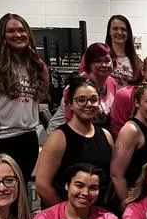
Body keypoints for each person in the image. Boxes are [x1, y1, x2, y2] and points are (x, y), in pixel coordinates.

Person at [0, 13, 49, 181]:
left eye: (21, 30)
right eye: (11, 31)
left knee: (21, 188)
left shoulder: (37, 64)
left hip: (28, 137)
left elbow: (41, 96)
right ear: (2, 35)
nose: (18, 34)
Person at [34, 76, 113, 207]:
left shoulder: (106, 135)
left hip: (98, 212)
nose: (89, 104)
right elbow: (42, 185)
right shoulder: (58, 138)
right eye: (81, 100)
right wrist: (67, 213)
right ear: (70, 104)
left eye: (93, 100)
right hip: (65, 213)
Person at [109, 82, 147, 208]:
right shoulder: (131, 130)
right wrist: (128, 208)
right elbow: (116, 175)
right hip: (131, 205)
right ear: (137, 103)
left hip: (146, 202)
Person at [47, 42, 117, 132]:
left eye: (107, 61)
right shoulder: (77, 86)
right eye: (98, 61)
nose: (103, 65)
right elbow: (73, 124)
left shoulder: (112, 82)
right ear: (89, 64)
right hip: (64, 133)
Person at [104, 13, 143, 88]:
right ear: (109, 31)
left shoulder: (138, 63)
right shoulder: (100, 57)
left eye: (123, 29)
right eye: (115, 29)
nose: (119, 32)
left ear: (128, 33)